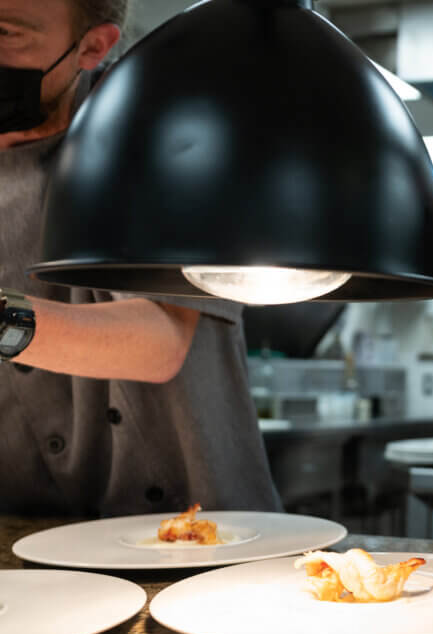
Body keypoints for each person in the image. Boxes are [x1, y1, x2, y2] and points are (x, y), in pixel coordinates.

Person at [0, 0, 281, 515]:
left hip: (198, 534)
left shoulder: (168, 127)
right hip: (25, 551)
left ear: (92, 46)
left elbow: (160, 341)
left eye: (5, 32)